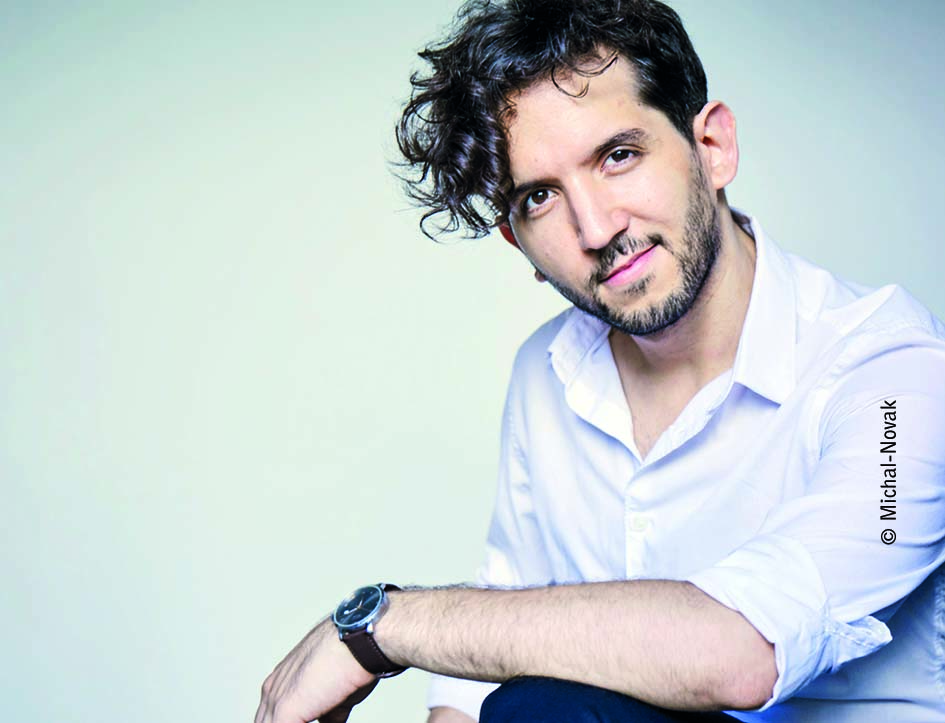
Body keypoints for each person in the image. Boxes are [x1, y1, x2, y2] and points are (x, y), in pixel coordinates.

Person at [254, 1, 945, 721]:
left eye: (618, 156)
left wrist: (380, 627)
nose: (595, 228)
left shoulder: (894, 377)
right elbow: (481, 663)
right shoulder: (548, 373)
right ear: (518, 244)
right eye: (540, 197)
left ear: (712, 147)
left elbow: (748, 649)